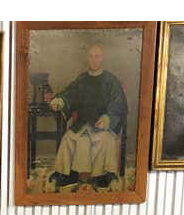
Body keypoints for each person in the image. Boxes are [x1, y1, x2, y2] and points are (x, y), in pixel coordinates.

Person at [47, 44, 128, 189]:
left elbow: (119, 103)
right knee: (68, 138)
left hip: (101, 124)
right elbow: (69, 94)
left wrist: (108, 118)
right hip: (83, 123)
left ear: (102, 58)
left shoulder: (110, 80)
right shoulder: (82, 79)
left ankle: (103, 176)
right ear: (87, 58)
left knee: (104, 140)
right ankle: (67, 175)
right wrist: (60, 100)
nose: (94, 60)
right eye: (91, 56)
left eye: (97, 56)